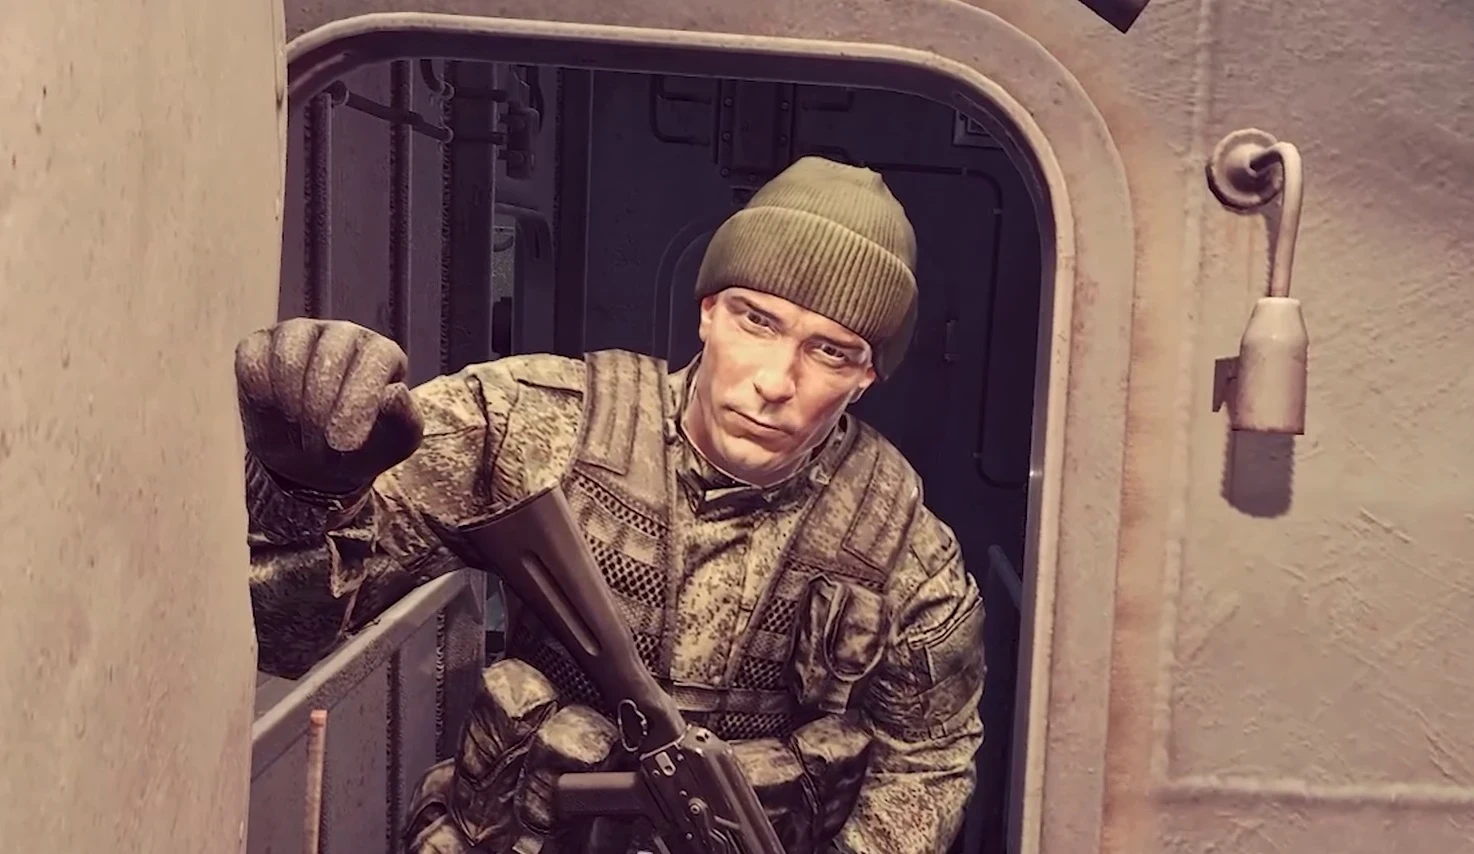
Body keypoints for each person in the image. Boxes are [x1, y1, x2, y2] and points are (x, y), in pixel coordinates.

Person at [238, 156, 985, 854]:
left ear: (865, 377)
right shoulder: (541, 426)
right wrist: (304, 495)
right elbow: (284, 637)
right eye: (756, 320)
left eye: (830, 351)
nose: (775, 381)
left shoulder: (900, 548)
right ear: (708, 311)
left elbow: (928, 761)